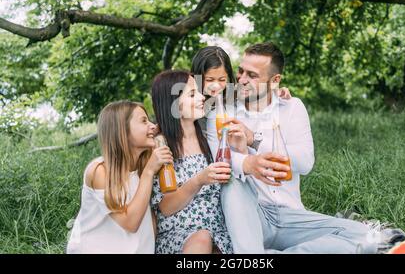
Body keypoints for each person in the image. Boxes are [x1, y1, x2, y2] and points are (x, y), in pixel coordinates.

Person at [206, 42, 379, 254]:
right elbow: (220, 159)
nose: (241, 80)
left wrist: (255, 140)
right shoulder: (222, 111)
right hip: (252, 214)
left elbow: (305, 162)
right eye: (241, 71)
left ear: (275, 81)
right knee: (232, 179)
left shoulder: (292, 106)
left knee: (366, 237)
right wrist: (248, 163)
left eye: (252, 75)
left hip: (291, 216)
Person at [150, 70, 246, 254]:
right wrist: (198, 179)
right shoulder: (161, 144)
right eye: (193, 94)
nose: (203, 97)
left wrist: (278, 95)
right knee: (202, 238)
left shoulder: (208, 137)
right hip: (180, 236)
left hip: (218, 233)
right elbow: (166, 207)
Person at [67, 100, 173, 254]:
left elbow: (150, 218)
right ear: (122, 130)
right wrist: (149, 172)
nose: (153, 126)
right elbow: (131, 223)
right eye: (144, 121)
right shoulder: (100, 171)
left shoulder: (146, 165)